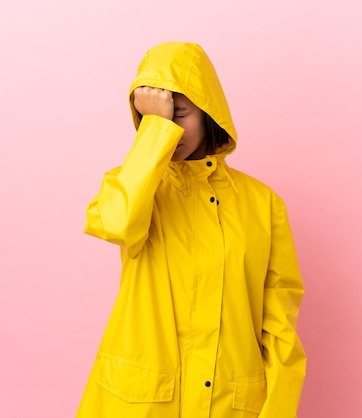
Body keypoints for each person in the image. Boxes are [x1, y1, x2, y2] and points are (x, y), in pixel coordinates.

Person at [76, 42, 306, 418]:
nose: (171, 129)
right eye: (155, 119)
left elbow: (279, 325)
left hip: (229, 406)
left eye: (179, 114)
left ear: (209, 112)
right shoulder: (135, 188)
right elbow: (114, 222)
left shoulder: (264, 205)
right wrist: (155, 133)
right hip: (140, 403)